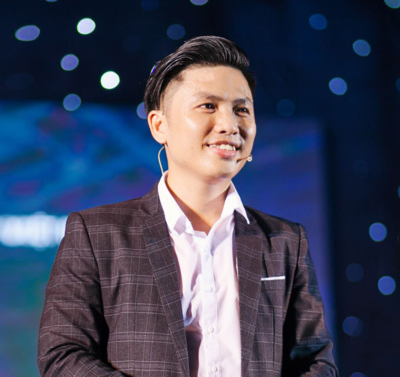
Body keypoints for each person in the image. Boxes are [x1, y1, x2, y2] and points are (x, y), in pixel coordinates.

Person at [38, 36, 338, 376]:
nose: (230, 125)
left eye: (242, 109)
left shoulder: (285, 241)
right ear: (159, 125)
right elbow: (62, 355)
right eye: (208, 106)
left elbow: (316, 360)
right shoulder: (97, 234)